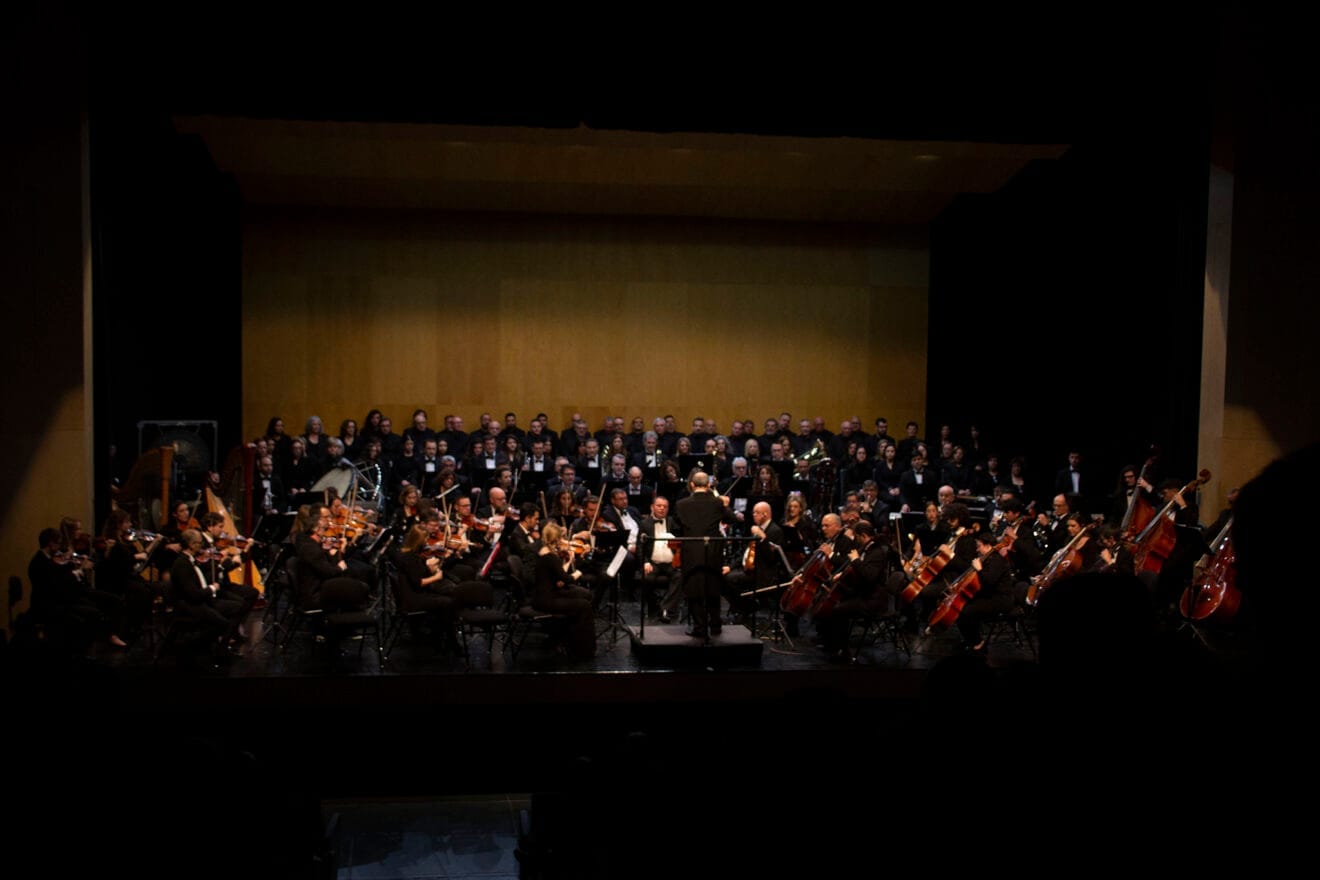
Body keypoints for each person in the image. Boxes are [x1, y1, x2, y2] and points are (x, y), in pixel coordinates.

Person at [813, 520, 892, 660]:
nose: (856, 541)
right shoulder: (868, 549)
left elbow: (869, 576)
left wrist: (856, 560)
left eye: (857, 537)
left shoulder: (877, 552)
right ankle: (831, 642)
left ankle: (842, 648)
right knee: (836, 602)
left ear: (863, 536)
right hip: (863, 593)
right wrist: (842, 574)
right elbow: (858, 571)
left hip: (872, 600)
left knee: (838, 609)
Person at [673, 471, 734, 639]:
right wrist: (725, 504)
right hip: (713, 551)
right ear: (708, 485)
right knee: (713, 585)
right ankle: (715, 625)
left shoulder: (681, 504)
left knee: (694, 587)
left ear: (692, 485)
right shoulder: (717, 502)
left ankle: (700, 627)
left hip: (691, 551)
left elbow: (676, 526)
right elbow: (731, 518)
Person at [532, 522, 595, 659]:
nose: (564, 541)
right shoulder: (550, 557)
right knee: (584, 606)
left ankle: (569, 642)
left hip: (544, 595)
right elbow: (567, 579)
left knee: (580, 600)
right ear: (556, 540)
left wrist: (567, 562)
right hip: (546, 600)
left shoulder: (544, 552)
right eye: (561, 538)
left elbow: (558, 578)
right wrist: (578, 571)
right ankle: (583, 650)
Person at [952, 529, 1018, 653]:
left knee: (967, 611)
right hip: (989, 596)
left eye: (979, 546)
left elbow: (989, 582)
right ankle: (970, 640)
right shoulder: (987, 559)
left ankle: (978, 643)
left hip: (1001, 599)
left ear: (988, 546)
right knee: (960, 608)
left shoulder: (997, 560)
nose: (977, 550)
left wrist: (979, 569)